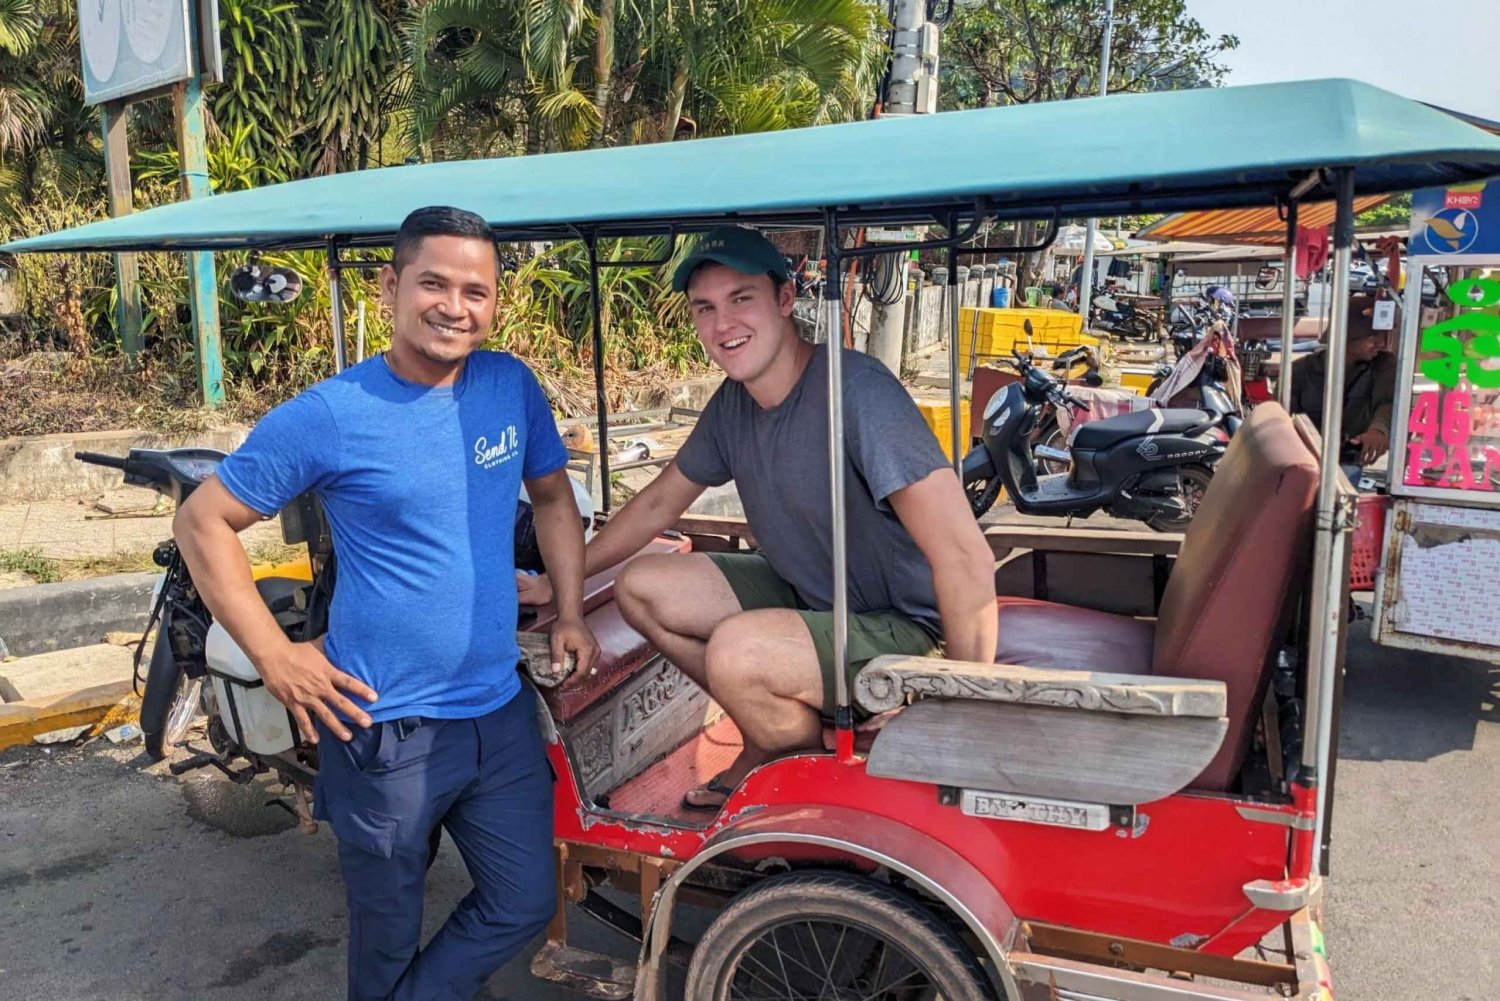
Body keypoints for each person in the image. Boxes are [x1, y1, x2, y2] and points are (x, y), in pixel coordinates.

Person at [174, 206, 599, 1001]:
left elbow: (551, 496)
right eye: (433, 283)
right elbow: (203, 519)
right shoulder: (335, 413)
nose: (454, 306)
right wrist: (276, 656)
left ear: (496, 301)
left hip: (496, 708)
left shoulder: (508, 385)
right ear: (390, 285)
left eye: (477, 290)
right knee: (386, 937)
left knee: (525, 900)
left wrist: (569, 607)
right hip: (383, 724)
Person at [518, 225, 996, 810]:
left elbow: (963, 553)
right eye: (705, 308)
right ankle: (779, 739)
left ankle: (799, 759)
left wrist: (955, 706)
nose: (723, 326)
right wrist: (558, 582)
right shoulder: (733, 405)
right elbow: (654, 504)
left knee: (738, 651)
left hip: (908, 632)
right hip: (813, 597)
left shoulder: (858, 393)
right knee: (642, 587)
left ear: (786, 299)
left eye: (741, 299)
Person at [1286, 292, 1396, 468]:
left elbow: (1386, 403)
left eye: (1382, 336)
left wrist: (1378, 432)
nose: (1381, 343)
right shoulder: (1300, 371)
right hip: (1305, 461)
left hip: (1350, 460)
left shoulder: (1383, 365)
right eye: (1372, 337)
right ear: (1347, 337)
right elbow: (1282, 418)